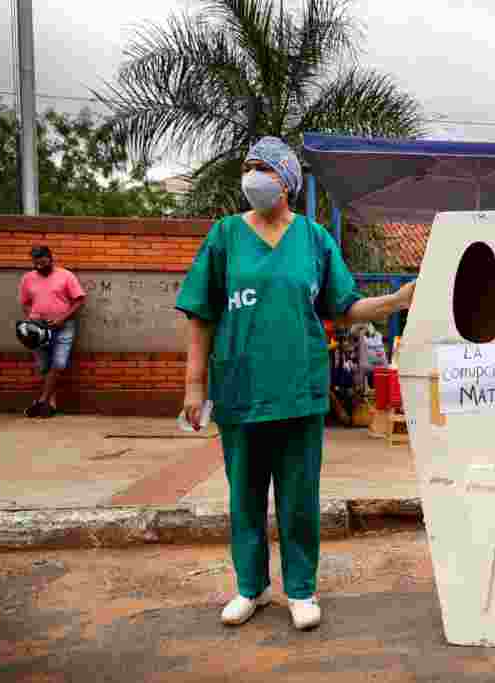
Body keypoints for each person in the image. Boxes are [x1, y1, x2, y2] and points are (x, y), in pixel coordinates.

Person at [175, 136, 415, 631]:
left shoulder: (314, 239)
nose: (252, 176)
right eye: (248, 167)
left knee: (298, 496)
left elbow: (344, 308)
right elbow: (199, 314)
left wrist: (394, 301)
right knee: (244, 495)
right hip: (240, 389)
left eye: (262, 167)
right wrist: (194, 387)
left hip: (299, 390)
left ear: (286, 180)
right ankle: (251, 588)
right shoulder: (224, 236)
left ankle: (301, 591)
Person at [18, 246, 87, 418]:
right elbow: (25, 302)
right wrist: (31, 318)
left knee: (59, 364)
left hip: (63, 325)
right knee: (44, 366)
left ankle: (42, 400)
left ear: (50, 258)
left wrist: (62, 318)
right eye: (36, 263)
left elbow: (79, 300)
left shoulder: (66, 275)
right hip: (37, 328)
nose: (39, 266)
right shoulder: (28, 278)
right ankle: (50, 404)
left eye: (42, 262)